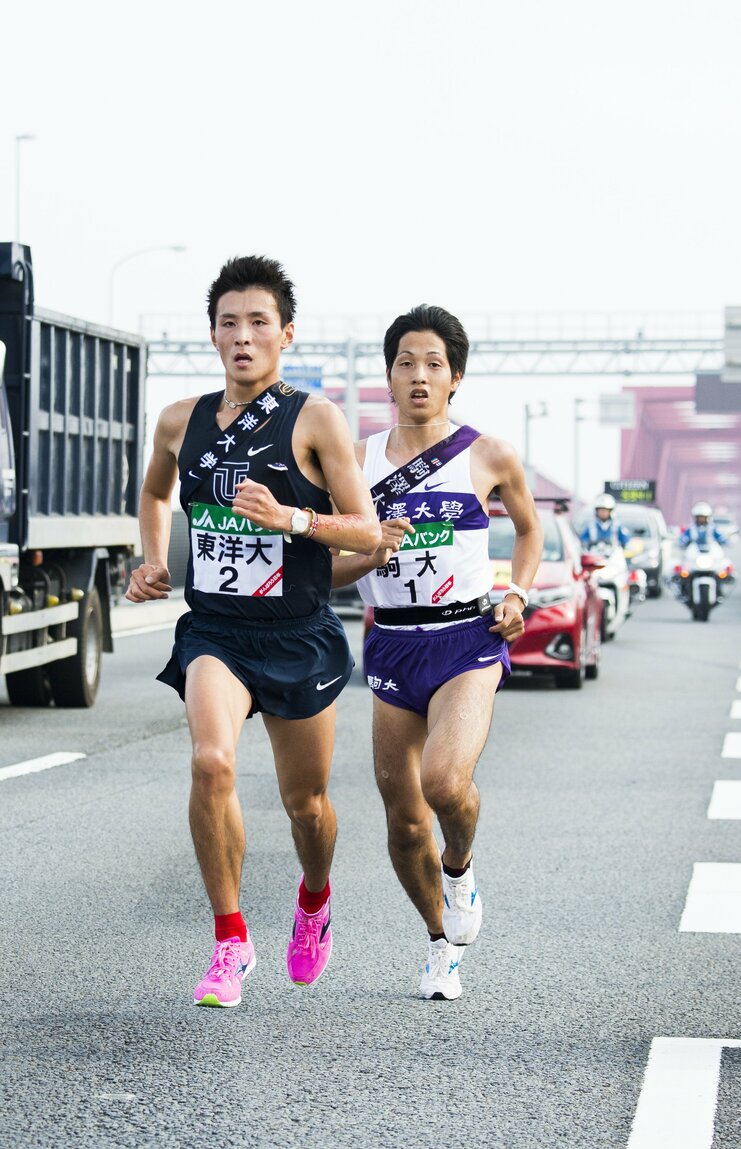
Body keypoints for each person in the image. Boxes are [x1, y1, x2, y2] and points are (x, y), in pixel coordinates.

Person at [125, 255, 381, 1007]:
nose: (243, 336)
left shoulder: (316, 419)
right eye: (228, 323)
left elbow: (368, 532)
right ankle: (230, 941)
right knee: (211, 762)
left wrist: (291, 518)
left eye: (258, 322)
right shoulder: (180, 420)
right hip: (217, 632)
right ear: (212, 334)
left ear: (286, 334)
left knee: (307, 805)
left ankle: (314, 897)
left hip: (298, 633)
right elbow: (154, 493)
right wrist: (151, 557)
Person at [332, 304, 544, 1001]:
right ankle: (439, 945)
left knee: (444, 784)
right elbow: (325, 569)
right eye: (405, 363)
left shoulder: (488, 454)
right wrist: (369, 553)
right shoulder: (354, 461)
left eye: (433, 364)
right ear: (388, 375)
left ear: (456, 376)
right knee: (401, 821)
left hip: (466, 639)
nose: (418, 376)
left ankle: (460, 868)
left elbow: (529, 530)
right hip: (392, 641)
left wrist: (516, 593)